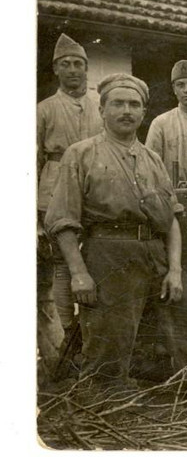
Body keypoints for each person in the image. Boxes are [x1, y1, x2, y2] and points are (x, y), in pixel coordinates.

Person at [44, 73, 187, 384]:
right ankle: (109, 408)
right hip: (109, 253)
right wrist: (79, 273)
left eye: (134, 105)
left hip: (156, 253)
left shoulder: (152, 159)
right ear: (102, 110)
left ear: (143, 113)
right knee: (110, 343)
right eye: (118, 104)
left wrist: (174, 270)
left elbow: (172, 219)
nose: (127, 111)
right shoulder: (80, 154)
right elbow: (63, 222)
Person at [36, 33, 103, 375]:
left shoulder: (99, 107)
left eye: (79, 64)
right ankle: (63, 343)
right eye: (66, 64)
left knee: (91, 263)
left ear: (87, 69)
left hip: (93, 189)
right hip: (54, 186)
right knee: (61, 266)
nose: (74, 70)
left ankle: (89, 344)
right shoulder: (44, 110)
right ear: (56, 70)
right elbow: (30, 161)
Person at [145, 60, 187, 185]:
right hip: (171, 197)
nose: (186, 90)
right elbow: (149, 169)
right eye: (180, 85)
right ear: (174, 89)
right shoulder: (160, 123)